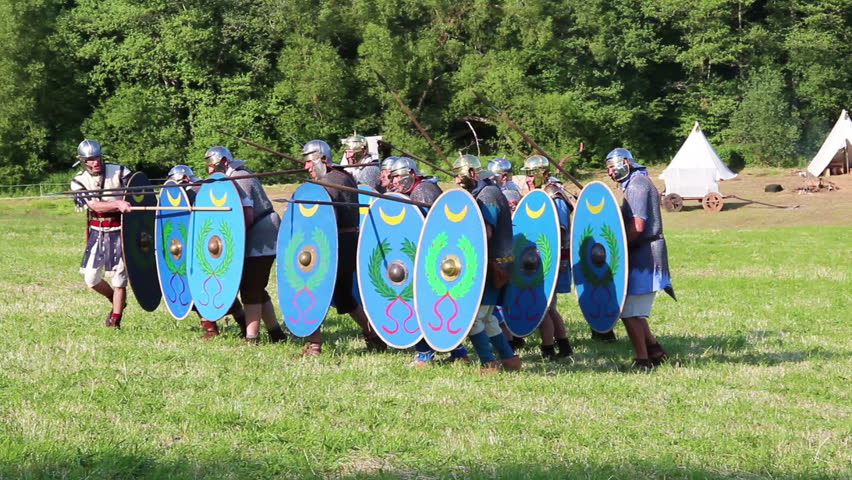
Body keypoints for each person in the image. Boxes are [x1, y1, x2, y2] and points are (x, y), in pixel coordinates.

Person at [302, 139, 386, 355]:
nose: (306, 167)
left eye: (309, 162)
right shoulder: (344, 177)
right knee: (343, 296)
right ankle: (374, 336)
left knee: (314, 289)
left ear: (322, 159)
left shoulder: (329, 182)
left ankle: (314, 346)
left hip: (333, 246)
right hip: (348, 245)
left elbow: (323, 220)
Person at [385, 156, 470, 366]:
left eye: (397, 177)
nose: (394, 181)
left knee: (420, 306)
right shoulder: (421, 189)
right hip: (430, 259)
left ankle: (424, 356)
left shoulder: (422, 191)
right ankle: (459, 352)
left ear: (411, 175)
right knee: (431, 308)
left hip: (428, 259)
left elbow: (424, 229)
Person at [204, 147, 287, 344]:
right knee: (257, 287)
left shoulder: (239, 177)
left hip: (262, 234)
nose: (210, 171)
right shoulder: (234, 176)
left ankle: (252, 338)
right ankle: (276, 334)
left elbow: (246, 216)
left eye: (213, 166)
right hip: (257, 234)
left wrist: (231, 242)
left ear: (224, 161)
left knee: (251, 288)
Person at [606, 148, 673, 369]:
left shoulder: (636, 185)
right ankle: (655, 350)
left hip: (644, 253)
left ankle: (643, 360)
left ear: (626, 162)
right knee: (634, 310)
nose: (610, 171)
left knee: (629, 312)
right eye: (607, 168)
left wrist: (616, 244)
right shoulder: (637, 182)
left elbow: (637, 226)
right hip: (642, 251)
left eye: (612, 165)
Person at [453, 154, 521, 373]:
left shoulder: (487, 195)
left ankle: (488, 363)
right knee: (488, 317)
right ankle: (510, 360)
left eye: (460, 176)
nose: (456, 181)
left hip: (493, 266)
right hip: (497, 263)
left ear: (473, 173)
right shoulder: (485, 192)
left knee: (473, 318)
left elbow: (485, 232)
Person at [167, 165, 248, 340]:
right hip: (186, 251)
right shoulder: (186, 194)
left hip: (207, 249)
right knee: (193, 292)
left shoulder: (201, 191)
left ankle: (243, 324)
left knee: (218, 289)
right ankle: (210, 328)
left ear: (186, 179)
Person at [70, 139, 132, 328]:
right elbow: (94, 205)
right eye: (90, 159)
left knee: (119, 278)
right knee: (91, 278)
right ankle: (113, 298)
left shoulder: (120, 171)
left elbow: (138, 193)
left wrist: (129, 201)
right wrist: (117, 203)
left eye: (97, 158)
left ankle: (115, 319)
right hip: (99, 232)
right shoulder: (79, 181)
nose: (95, 162)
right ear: (83, 161)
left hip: (122, 230)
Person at [521, 155, 575, 359]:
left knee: (542, 306)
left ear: (542, 174)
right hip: (539, 260)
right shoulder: (539, 195)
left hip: (552, 261)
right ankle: (564, 346)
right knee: (549, 308)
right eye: (526, 174)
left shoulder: (554, 196)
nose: (527, 179)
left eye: (530, 174)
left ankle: (548, 348)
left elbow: (557, 232)